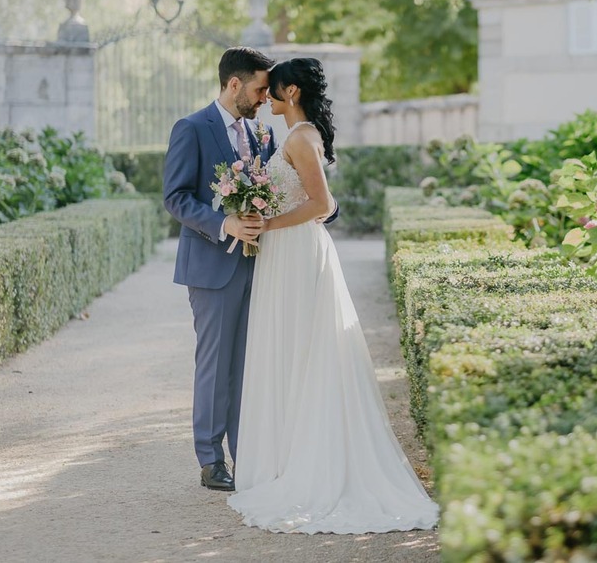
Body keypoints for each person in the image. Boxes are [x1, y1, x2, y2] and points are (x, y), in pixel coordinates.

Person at [227, 58, 439, 533]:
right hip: (286, 252)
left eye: (273, 91)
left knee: (303, 350)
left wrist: (267, 224)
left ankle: (308, 466)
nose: (268, 98)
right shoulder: (295, 136)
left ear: (293, 93)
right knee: (291, 351)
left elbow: (322, 205)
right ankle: (288, 457)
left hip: (297, 251)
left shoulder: (301, 138)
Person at [164, 47, 339, 492]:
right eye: (261, 89)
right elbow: (176, 197)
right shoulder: (192, 128)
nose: (266, 97)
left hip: (263, 265)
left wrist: (320, 211)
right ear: (234, 84)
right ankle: (210, 459)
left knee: (251, 364)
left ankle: (250, 455)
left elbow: (292, 185)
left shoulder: (263, 134)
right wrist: (225, 222)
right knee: (216, 364)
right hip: (212, 264)